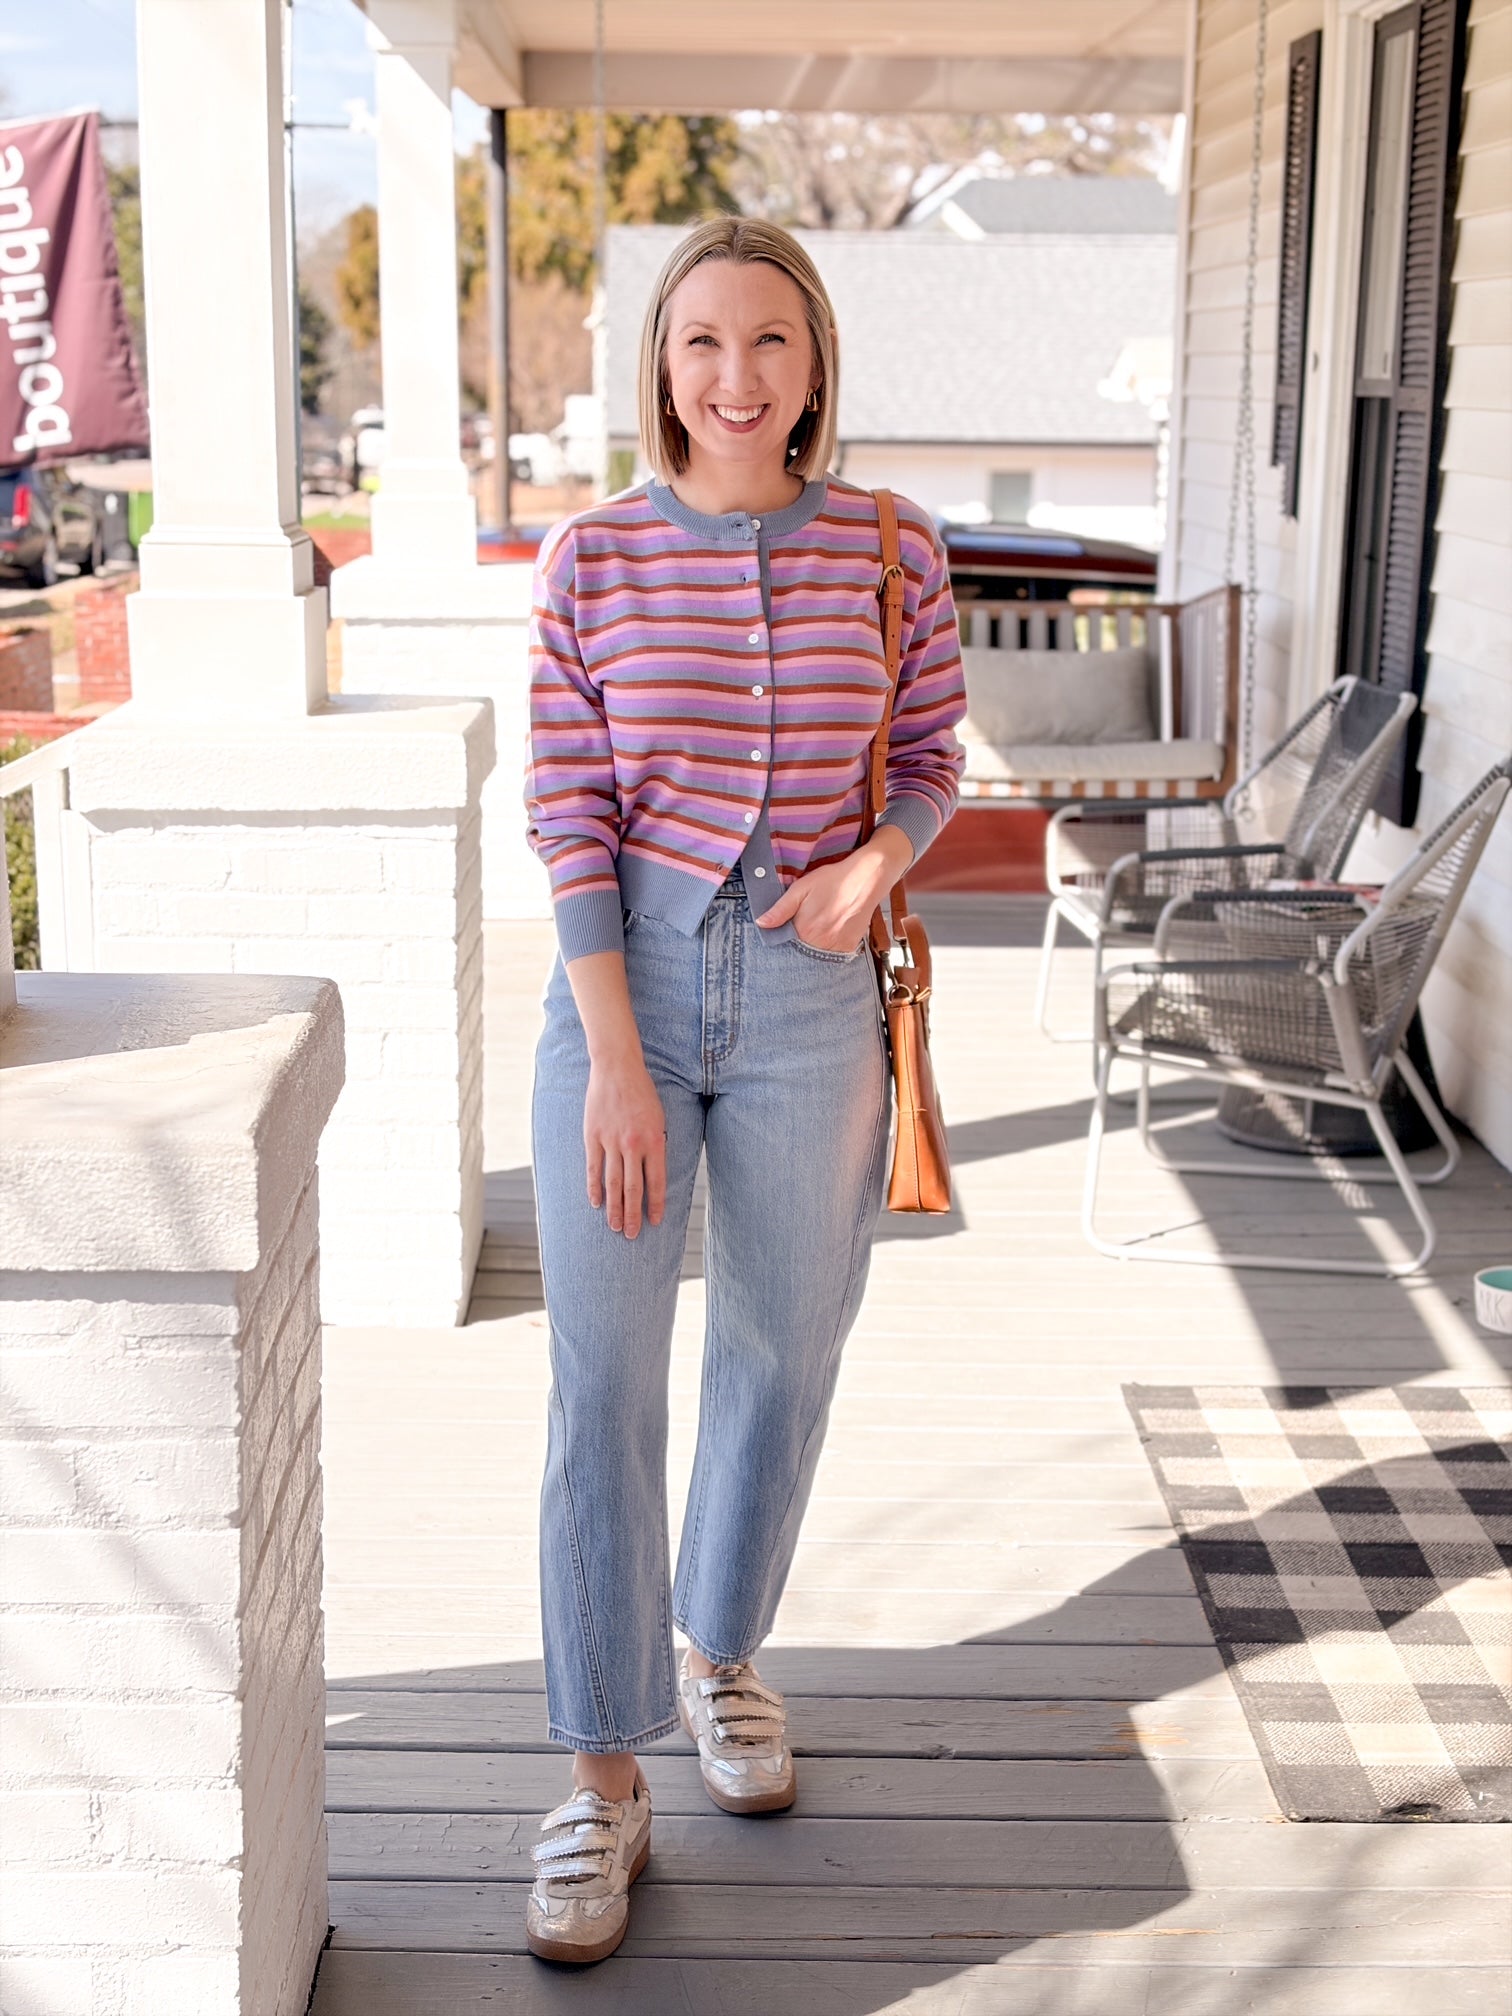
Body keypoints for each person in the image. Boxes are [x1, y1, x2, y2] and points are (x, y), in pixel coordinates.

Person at [522, 216, 966, 1965]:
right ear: (661, 365)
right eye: (701, 342)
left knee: (786, 1347)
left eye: (767, 341)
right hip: (623, 990)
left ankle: (720, 1652)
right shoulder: (593, 559)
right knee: (601, 1389)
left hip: (807, 1000)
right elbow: (568, 815)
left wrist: (880, 862)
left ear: (815, 361)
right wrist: (614, 1060)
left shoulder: (890, 547)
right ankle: (600, 1776)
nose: (734, 376)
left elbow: (930, 755)